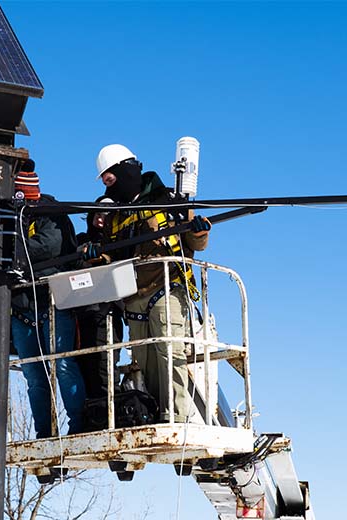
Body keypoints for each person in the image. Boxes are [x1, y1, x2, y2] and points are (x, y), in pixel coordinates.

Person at [83, 144, 211, 423]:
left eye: (110, 179)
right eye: (105, 181)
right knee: (144, 356)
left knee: (169, 351)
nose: (108, 186)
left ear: (124, 171)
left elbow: (194, 243)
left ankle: (176, 415)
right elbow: (111, 253)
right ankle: (159, 412)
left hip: (166, 287)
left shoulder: (166, 200)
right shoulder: (117, 214)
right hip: (134, 296)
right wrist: (95, 256)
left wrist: (200, 231)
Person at [11, 160, 86, 438]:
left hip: (52, 303)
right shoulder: (9, 217)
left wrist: (13, 250)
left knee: (64, 365)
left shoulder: (50, 212)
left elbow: (49, 245)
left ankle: (78, 426)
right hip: (21, 308)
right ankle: (45, 432)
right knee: (34, 376)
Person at [75, 196, 124, 400]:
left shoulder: (120, 242)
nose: (101, 219)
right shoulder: (80, 241)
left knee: (104, 367)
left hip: (107, 313)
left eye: (107, 215)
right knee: (82, 368)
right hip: (81, 313)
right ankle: (90, 413)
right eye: (97, 213)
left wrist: (104, 258)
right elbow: (72, 264)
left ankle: (106, 411)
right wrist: (84, 255)